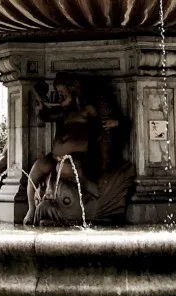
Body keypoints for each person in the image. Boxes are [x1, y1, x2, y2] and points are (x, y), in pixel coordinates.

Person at [23, 73, 118, 226]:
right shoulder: (63, 112)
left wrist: (116, 123)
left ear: (74, 92)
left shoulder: (87, 110)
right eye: (58, 94)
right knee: (37, 168)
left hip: (78, 157)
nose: (59, 97)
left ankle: (89, 190)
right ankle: (31, 209)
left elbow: (106, 121)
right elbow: (46, 116)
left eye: (63, 94)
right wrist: (41, 110)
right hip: (54, 157)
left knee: (67, 167)